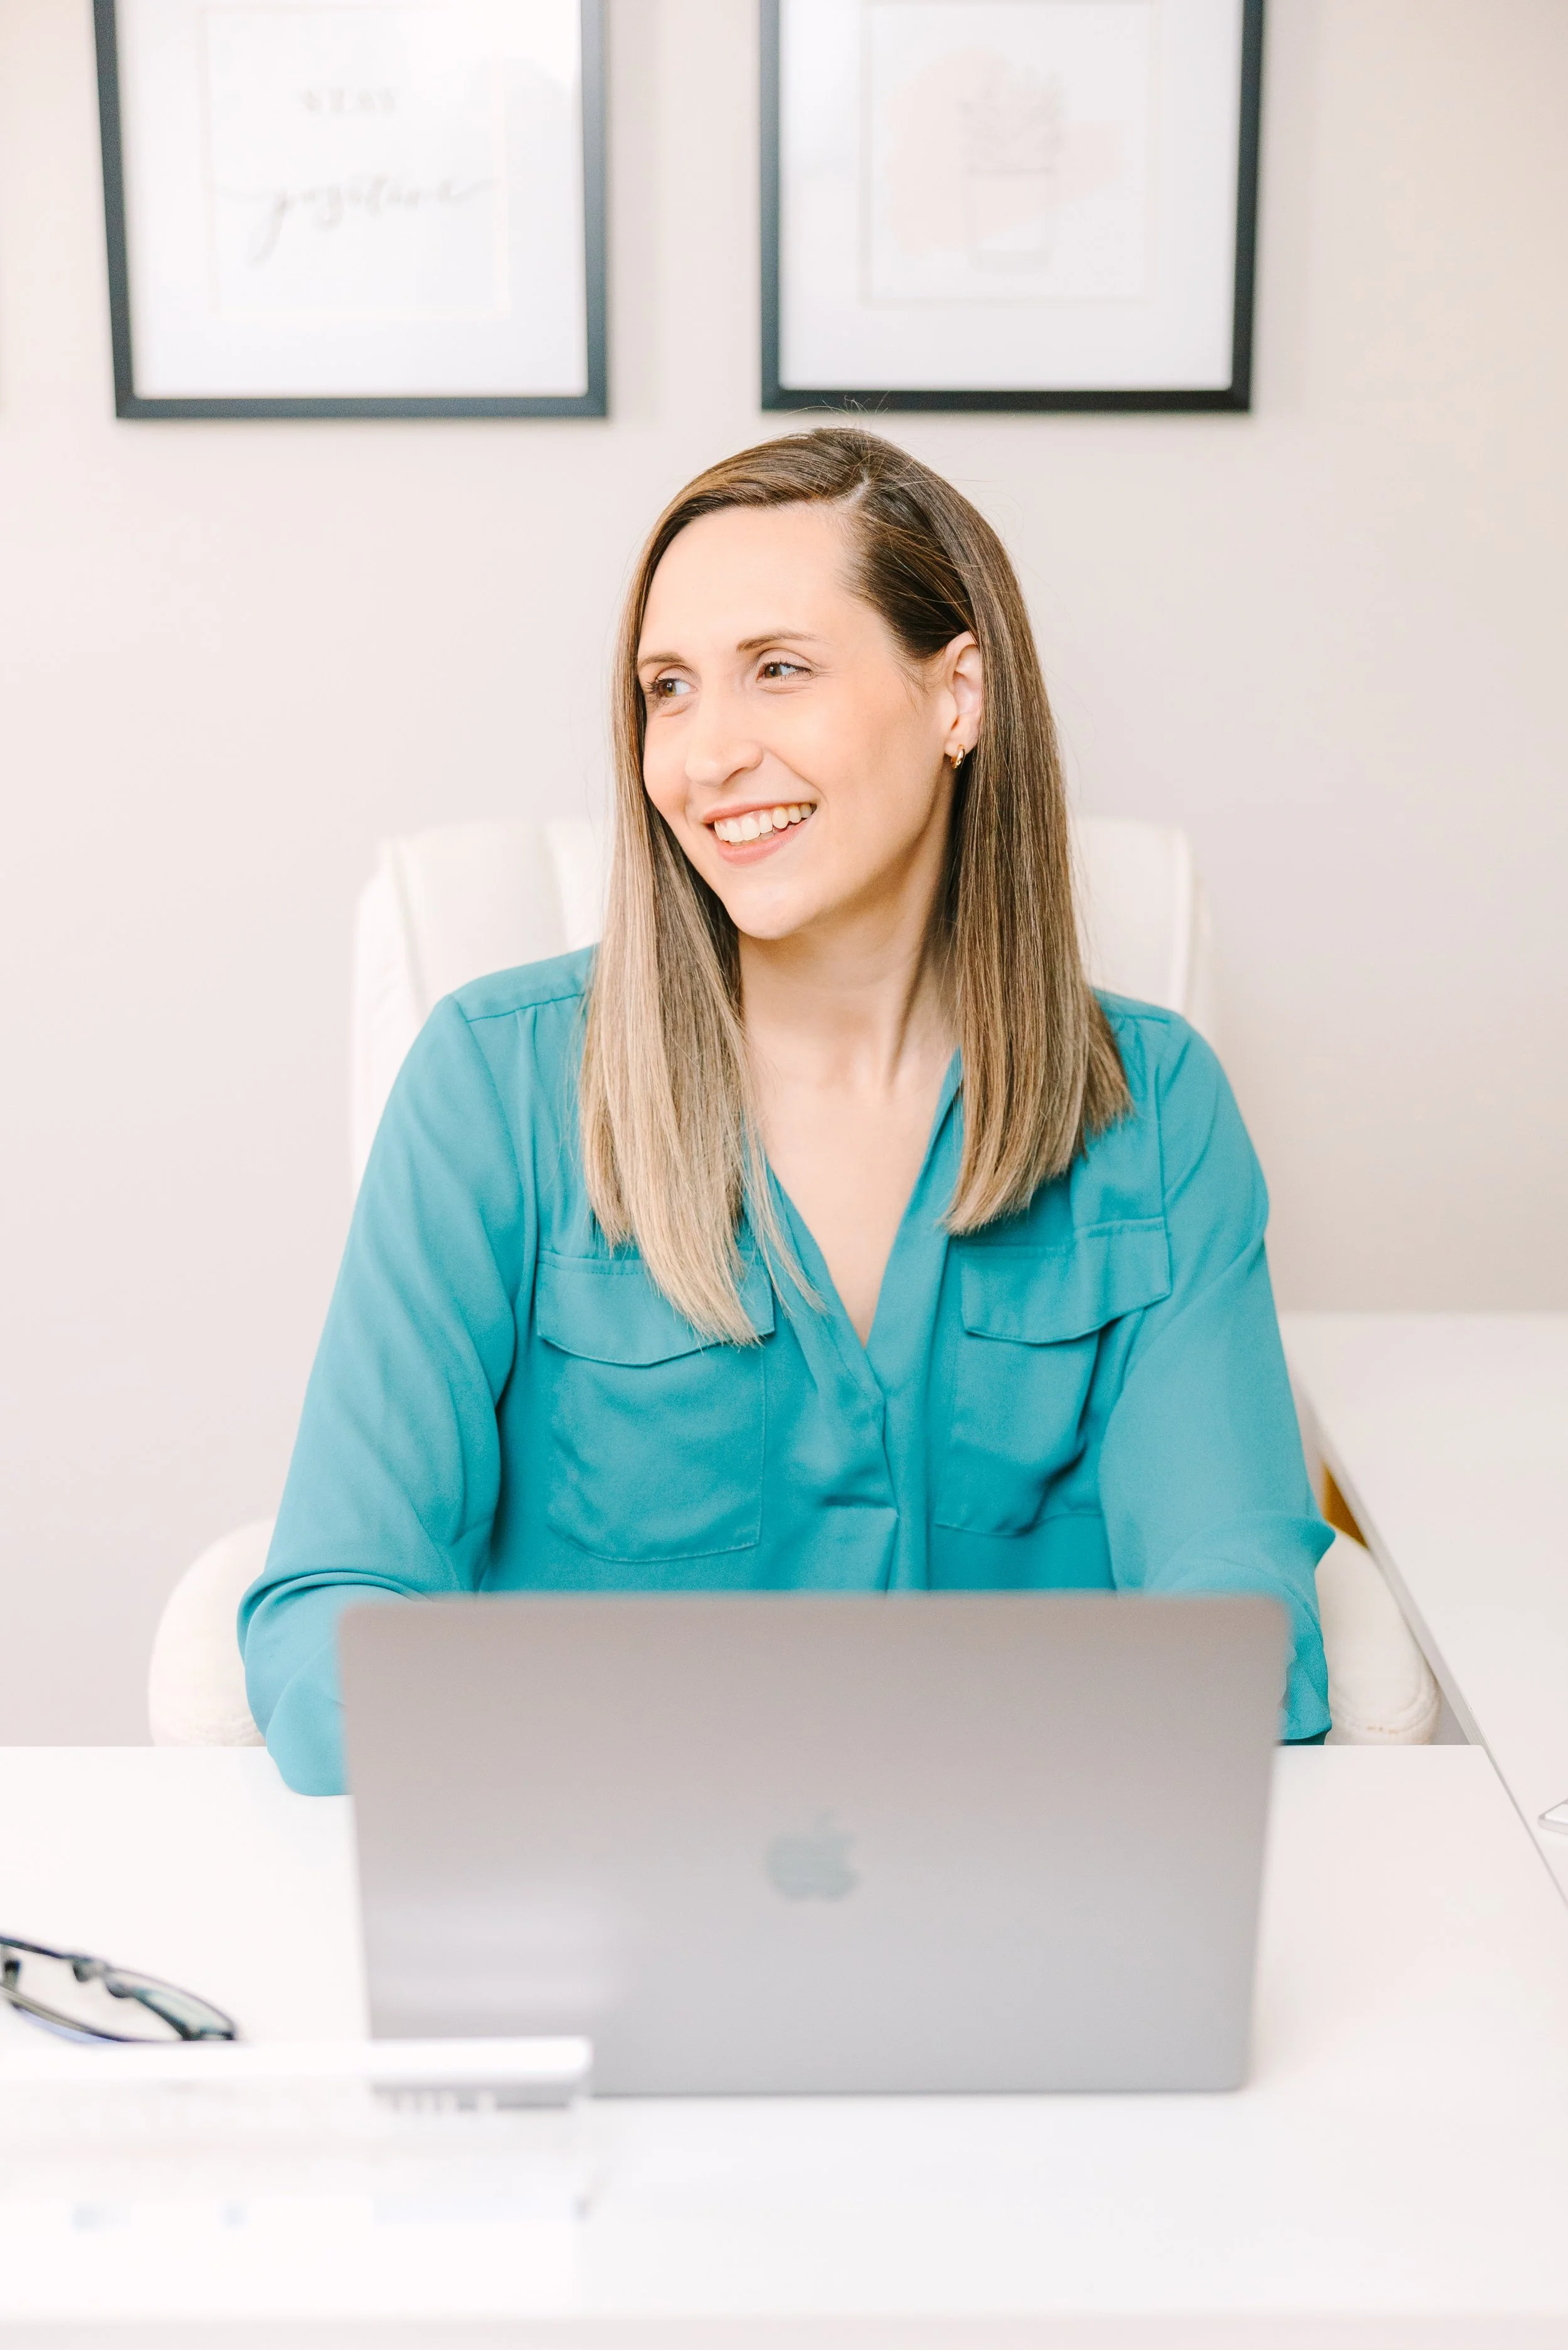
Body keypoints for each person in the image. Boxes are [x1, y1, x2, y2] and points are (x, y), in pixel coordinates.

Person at [242, 428, 1331, 1796]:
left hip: (1005, 1909)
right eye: (668, 689)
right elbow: (328, 1623)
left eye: (779, 669)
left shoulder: (1153, 1108)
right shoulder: (489, 1082)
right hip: (591, 1912)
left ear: (958, 696)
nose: (704, 755)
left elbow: (1239, 1623)